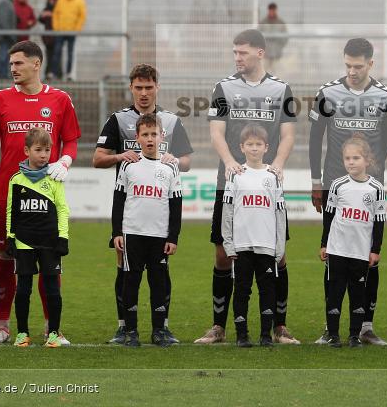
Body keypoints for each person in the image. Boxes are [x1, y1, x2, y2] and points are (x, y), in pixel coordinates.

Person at [0, 40, 81, 346]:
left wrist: (64, 160)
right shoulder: (0, 99)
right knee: (5, 256)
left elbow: (71, 140)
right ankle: (3, 327)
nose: (13, 68)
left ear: (36, 64)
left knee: (49, 259)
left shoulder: (60, 99)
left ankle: (52, 328)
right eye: (11, 63)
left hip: (46, 195)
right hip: (8, 196)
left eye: (18, 63)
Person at [195, 29, 297, 345]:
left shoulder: (282, 89)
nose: (237, 57)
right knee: (223, 255)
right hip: (231, 183)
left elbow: (289, 134)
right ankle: (218, 326)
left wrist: (277, 164)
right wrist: (229, 162)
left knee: (278, 255)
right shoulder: (223, 88)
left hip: (267, 184)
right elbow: (216, 133)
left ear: (260, 53)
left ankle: (279, 327)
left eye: (243, 52)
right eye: (235, 52)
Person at [93, 63, 193, 345]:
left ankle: (163, 327)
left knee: (160, 275)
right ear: (131, 88)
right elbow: (98, 158)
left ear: (157, 87)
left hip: (158, 213)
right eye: (139, 87)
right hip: (131, 211)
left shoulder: (170, 121)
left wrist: (174, 159)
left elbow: (186, 161)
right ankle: (124, 327)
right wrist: (120, 156)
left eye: (149, 87)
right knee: (126, 272)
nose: (144, 93)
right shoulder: (118, 119)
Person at [309, 37, 387, 346]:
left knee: (370, 255)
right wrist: (316, 181)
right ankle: (330, 327)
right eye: (348, 65)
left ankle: (365, 327)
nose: (352, 71)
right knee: (333, 254)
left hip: (370, 185)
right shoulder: (327, 92)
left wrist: (373, 166)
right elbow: (315, 138)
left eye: (358, 66)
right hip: (335, 183)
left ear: (371, 63)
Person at [111, 113, 183, 348]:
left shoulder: (170, 166)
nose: (150, 139)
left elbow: (176, 204)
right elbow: (119, 200)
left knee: (158, 283)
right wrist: (117, 232)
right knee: (131, 281)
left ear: (162, 136)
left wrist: (173, 237)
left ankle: (159, 330)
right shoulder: (129, 165)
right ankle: (131, 331)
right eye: (145, 134)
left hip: (159, 236)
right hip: (132, 233)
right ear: (137, 138)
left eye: (154, 134)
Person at [222, 124, 287, 348]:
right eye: (250, 144)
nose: (254, 148)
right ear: (242, 147)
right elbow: (227, 211)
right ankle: (242, 335)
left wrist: (280, 245)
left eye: (258, 144)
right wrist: (228, 243)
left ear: (266, 147)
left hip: (266, 245)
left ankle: (266, 335)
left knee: (267, 290)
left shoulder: (273, 176)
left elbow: (280, 213)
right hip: (242, 246)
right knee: (242, 290)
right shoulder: (236, 175)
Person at [6, 128, 70, 349]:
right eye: (38, 150)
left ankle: (53, 333)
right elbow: (11, 210)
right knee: (23, 289)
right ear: (27, 151)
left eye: (47, 150)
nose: (44, 155)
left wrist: (63, 237)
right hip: (24, 241)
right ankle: (22, 333)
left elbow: (62, 209)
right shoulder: (16, 180)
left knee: (52, 289)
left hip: (50, 242)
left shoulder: (54, 179)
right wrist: (10, 237)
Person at [320, 136, 385, 348]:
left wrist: (375, 250)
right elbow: (329, 216)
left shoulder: (376, 188)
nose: (351, 162)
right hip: (338, 249)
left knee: (358, 294)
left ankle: (354, 336)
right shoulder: (337, 185)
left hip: (360, 251)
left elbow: (379, 222)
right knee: (335, 293)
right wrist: (324, 244)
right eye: (347, 158)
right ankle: (333, 335)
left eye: (356, 158)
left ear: (367, 160)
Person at [51, 0, 87, 80]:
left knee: (70, 53)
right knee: (57, 52)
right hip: (60, 31)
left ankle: (68, 74)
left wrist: (77, 29)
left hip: (72, 32)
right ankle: (55, 73)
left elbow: (82, 16)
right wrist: (56, 28)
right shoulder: (61, 1)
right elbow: (55, 14)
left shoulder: (79, 2)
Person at [258, 3, 288, 70]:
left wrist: (279, 47)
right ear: (268, 10)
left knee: (276, 73)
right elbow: (258, 36)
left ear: (276, 10)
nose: (272, 12)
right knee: (263, 73)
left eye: (273, 10)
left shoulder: (281, 22)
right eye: (270, 10)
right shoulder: (263, 22)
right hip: (265, 55)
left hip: (276, 54)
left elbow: (285, 37)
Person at [0, 0, 16, 79]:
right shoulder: (5, 2)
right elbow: (4, 20)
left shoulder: (6, 2)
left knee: (5, 56)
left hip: (6, 34)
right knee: (3, 57)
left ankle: (3, 75)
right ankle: (2, 76)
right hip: (5, 35)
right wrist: (9, 34)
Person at [39, 0, 58, 79]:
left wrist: (52, 15)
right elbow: (40, 19)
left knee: (56, 55)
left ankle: (56, 73)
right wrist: (43, 15)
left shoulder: (58, 9)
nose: (51, 1)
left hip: (57, 36)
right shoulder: (46, 9)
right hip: (48, 38)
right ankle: (48, 73)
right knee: (49, 55)